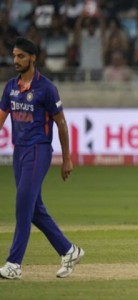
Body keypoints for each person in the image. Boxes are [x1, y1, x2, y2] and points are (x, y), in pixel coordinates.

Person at [0, 37, 84, 279]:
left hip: (39, 150)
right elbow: (2, 117)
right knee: (34, 209)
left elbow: (62, 123)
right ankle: (69, 250)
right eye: (14, 56)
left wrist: (66, 158)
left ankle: (14, 263)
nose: (15, 60)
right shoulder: (11, 87)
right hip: (19, 151)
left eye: (21, 56)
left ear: (32, 58)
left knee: (22, 205)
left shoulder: (46, 88)